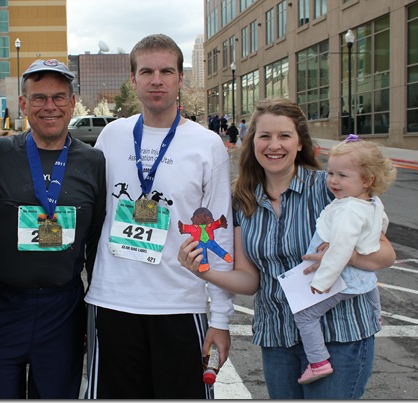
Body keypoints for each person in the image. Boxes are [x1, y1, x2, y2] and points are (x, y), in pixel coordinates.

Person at [178, 97, 396, 399]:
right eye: (265, 136)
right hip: (278, 339)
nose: (274, 145)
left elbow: (386, 254)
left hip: (340, 335)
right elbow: (250, 280)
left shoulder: (330, 186)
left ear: (299, 143)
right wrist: (203, 271)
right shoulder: (242, 199)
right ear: (253, 141)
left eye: (284, 136)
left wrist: (347, 255)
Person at [84, 34, 234, 399]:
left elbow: (218, 234)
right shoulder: (111, 136)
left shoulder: (207, 144)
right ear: (133, 79)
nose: (157, 80)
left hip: (180, 304)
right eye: (146, 72)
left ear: (181, 79)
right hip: (113, 301)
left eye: (166, 71)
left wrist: (220, 318)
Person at [0, 59, 106, 399]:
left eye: (59, 97)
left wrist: (95, 313)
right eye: (39, 98)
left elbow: (95, 244)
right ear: (23, 104)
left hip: (63, 311)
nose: (50, 106)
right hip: (3, 307)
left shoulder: (93, 162)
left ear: (72, 103)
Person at [294, 135, 396, 384]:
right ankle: (376, 315)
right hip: (363, 277)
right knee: (369, 285)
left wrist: (322, 281)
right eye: (330, 173)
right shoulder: (371, 202)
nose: (333, 181)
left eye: (342, 175)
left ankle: (318, 362)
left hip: (343, 279)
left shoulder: (348, 210)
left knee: (305, 316)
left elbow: (339, 250)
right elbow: (382, 223)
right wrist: (368, 239)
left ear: (367, 179)